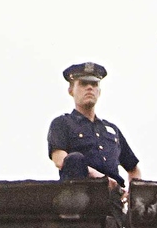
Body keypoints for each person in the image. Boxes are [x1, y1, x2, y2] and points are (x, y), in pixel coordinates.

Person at [47, 62, 141, 192]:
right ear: (71, 90)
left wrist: (133, 195)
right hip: (80, 195)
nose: (89, 88)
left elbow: (133, 168)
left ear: (99, 91)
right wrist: (100, 178)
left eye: (94, 84)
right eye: (83, 84)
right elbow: (60, 159)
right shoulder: (62, 123)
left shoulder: (112, 129)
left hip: (112, 199)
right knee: (75, 158)